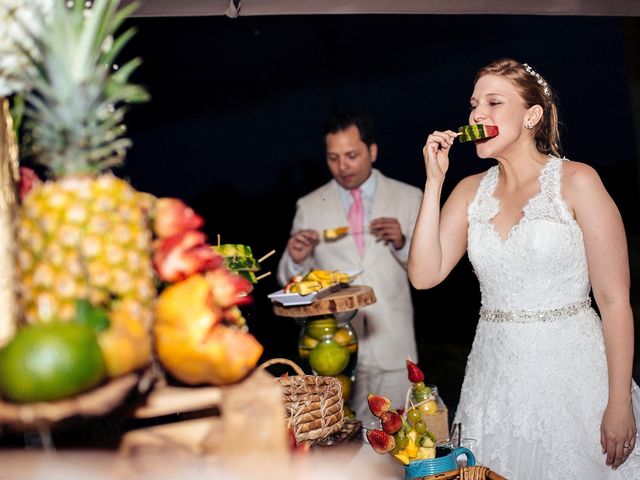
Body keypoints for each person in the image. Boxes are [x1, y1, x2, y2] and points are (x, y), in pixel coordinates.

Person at [408, 58, 640, 478]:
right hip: (493, 376)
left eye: (494, 103)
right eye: (474, 104)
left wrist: (619, 400)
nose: (477, 114)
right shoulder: (467, 191)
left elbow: (614, 300)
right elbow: (424, 276)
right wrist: (434, 181)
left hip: (572, 375)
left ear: (532, 115)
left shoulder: (578, 181)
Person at [277, 113, 423, 421]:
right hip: (333, 348)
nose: (343, 167)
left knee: (400, 442)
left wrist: (401, 242)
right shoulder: (310, 205)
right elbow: (289, 280)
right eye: (333, 158)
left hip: (393, 343)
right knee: (339, 441)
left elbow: (425, 271)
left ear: (372, 152)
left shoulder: (409, 197)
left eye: (352, 156)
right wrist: (298, 257)